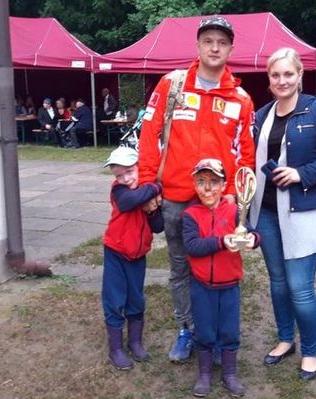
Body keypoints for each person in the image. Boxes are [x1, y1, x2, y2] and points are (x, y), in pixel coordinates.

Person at [137, 15, 255, 363]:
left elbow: (245, 153)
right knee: (181, 268)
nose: (215, 48)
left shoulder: (241, 99)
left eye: (222, 42)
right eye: (208, 41)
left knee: (217, 267)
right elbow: (149, 136)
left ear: (231, 48)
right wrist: (148, 186)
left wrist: (234, 193)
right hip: (175, 197)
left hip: (219, 202)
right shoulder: (172, 85)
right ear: (198, 45)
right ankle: (188, 329)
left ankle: (213, 334)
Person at [249, 48, 316, 381]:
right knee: (278, 283)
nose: (282, 81)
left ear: (299, 75)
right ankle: (284, 339)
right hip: (266, 212)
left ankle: (309, 351)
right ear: (269, 79)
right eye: (275, 75)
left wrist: (300, 174)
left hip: (303, 212)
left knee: (299, 288)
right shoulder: (262, 115)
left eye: (288, 74)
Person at [182, 158, 259, 398]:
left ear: (224, 185)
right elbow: (193, 246)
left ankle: (230, 374)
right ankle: (204, 375)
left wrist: (252, 240)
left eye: (214, 182)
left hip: (229, 286)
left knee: (229, 331)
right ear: (194, 185)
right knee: (204, 331)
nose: (207, 188)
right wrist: (222, 241)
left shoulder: (235, 211)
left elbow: (253, 233)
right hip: (202, 286)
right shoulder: (190, 215)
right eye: (201, 182)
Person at [102, 146, 164, 370]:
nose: (126, 179)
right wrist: (157, 187)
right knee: (114, 298)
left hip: (138, 256)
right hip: (116, 253)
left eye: (130, 172)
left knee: (136, 298)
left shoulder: (145, 194)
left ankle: (135, 342)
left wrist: (152, 210)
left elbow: (158, 227)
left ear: (140, 168)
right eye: (119, 175)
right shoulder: (120, 191)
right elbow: (128, 202)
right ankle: (116, 348)